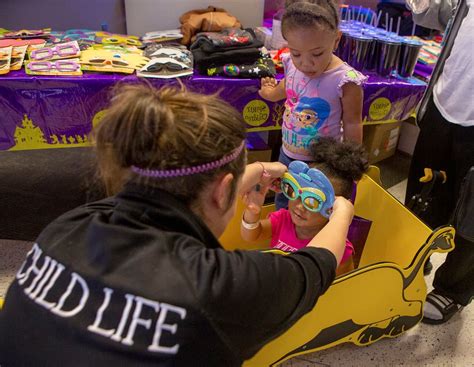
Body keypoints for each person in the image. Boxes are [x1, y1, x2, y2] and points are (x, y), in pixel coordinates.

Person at [0, 83, 355, 366]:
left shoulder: (68, 224)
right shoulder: (215, 285)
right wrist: (341, 212)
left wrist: (258, 172)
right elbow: (315, 265)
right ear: (223, 191)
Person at [259, 0, 367, 209]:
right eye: (297, 53)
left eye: (317, 54)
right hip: (287, 153)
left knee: (311, 209)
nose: (305, 63)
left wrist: (352, 166)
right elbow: (288, 87)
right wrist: (270, 93)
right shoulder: (292, 64)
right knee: (283, 201)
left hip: (320, 163)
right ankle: (281, 241)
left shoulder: (346, 80)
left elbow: (353, 123)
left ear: (336, 40)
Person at [405, 0, 474, 324]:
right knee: (425, 188)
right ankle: (416, 252)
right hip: (444, 101)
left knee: (472, 217)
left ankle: (453, 287)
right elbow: (437, 13)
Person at [241, 137, 368, 276]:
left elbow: (342, 286)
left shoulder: (340, 248)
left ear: (335, 208)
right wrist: (252, 211)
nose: (300, 206)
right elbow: (252, 235)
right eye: (295, 191)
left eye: (313, 201)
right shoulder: (284, 219)